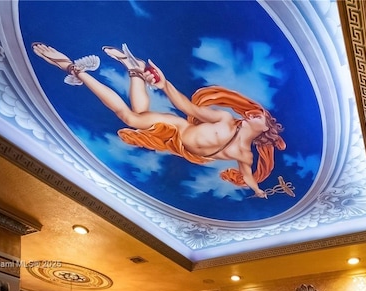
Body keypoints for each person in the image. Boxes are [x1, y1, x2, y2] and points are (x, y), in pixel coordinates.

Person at [32, 43, 285, 198]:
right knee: (129, 116)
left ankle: (133, 69)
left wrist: (257, 190)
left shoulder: (245, 155)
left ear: (266, 131)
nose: (254, 112)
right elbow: (187, 107)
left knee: (137, 113)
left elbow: (248, 175)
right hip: (178, 127)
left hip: (177, 146)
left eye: (260, 116)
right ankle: (73, 69)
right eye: (256, 111)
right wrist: (164, 85)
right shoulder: (226, 119)